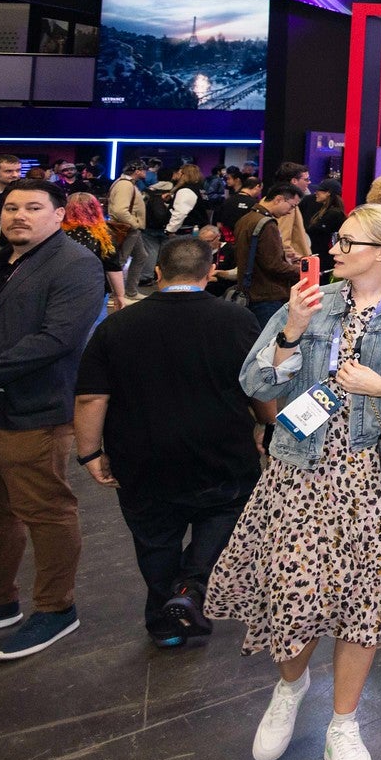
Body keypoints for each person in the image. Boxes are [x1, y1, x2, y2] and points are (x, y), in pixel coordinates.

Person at [205, 202, 381, 760]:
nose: (334, 250)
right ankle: (290, 687)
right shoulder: (310, 303)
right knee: (292, 586)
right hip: (301, 468)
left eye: (348, 243)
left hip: (378, 479)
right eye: (337, 239)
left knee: (360, 605)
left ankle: (343, 723)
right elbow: (255, 381)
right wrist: (291, 332)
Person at [72, 237, 262, 648]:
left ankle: (166, 624)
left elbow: (91, 396)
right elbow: (259, 387)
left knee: (154, 539)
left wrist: (89, 451)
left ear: (157, 273)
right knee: (225, 514)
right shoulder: (237, 321)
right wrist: (267, 425)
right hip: (224, 453)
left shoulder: (116, 326)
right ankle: (192, 585)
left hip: (142, 458)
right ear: (210, 273)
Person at [0, 178, 106, 660]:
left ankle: (57, 608)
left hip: (31, 413)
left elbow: (55, 340)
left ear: (59, 215)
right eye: (12, 207)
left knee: (46, 513)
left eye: (33, 207)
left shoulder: (77, 266)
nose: (19, 215)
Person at [234, 183, 305, 328]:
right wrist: (303, 270)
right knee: (269, 345)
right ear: (278, 199)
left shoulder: (246, 219)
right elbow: (274, 266)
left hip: (251, 292)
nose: (291, 212)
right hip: (266, 296)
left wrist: (285, 256)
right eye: (291, 206)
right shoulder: (267, 224)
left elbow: (257, 256)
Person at [60, 192, 124, 316]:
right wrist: (120, 295)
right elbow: (113, 267)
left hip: (62, 288)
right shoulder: (104, 236)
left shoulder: (57, 232)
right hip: (93, 289)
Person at [106, 158, 150, 295]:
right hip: (126, 228)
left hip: (129, 228)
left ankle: (131, 291)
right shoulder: (125, 185)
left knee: (141, 256)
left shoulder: (123, 183)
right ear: (137, 171)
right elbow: (120, 210)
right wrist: (134, 223)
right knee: (120, 260)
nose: (146, 173)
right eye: (144, 170)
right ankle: (114, 292)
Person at [272, 162, 315, 260]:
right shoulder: (286, 206)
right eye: (306, 179)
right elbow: (282, 238)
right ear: (294, 181)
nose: (309, 182)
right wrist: (295, 261)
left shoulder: (276, 200)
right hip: (291, 264)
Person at [165, 163, 211, 237]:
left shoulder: (185, 190)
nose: (178, 176)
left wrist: (170, 230)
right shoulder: (200, 189)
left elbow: (180, 213)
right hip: (200, 227)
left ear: (185, 175)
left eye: (179, 173)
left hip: (185, 231)